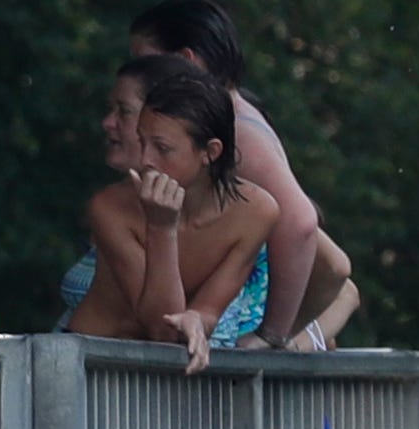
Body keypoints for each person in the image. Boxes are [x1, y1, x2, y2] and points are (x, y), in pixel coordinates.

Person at [126, 0, 337, 350]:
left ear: (184, 60)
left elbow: (300, 222)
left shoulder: (238, 132)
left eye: (145, 65)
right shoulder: (239, 113)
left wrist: (271, 335)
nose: (138, 78)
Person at [69, 57, 279, 374]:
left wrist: (196, 319)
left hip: (165, 375)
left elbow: (206, 312)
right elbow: (163, 329)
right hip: (95, 368)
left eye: (162, 148)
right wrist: (162, 228)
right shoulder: (110, 208)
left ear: (211, 152)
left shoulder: (257, 212)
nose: (145, 160)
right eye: (142, 141)